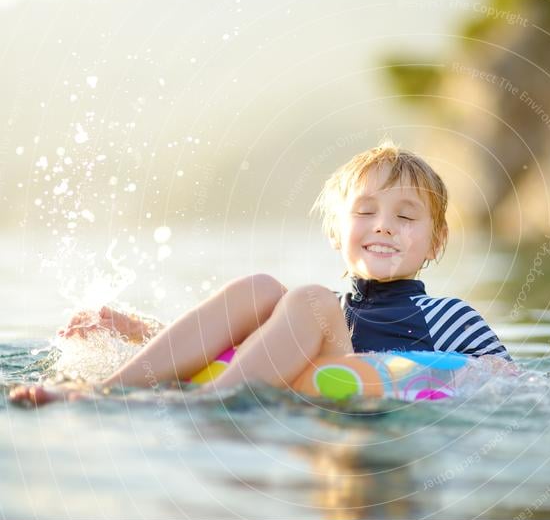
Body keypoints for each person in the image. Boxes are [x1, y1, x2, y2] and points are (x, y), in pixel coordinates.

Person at [10, 140, 510, 406]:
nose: (383, 227)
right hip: (304, 383)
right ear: (336, 232)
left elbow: (511, 378)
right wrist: (133, 327)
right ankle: (109, 389)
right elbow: (238, 351)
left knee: (308, 298)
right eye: (365, 213)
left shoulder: (447, 316)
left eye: (405, 217)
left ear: (435, 242)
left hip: (362, 395)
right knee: (262, 288)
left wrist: (466, 373)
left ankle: (203, 406)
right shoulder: (323, 312)